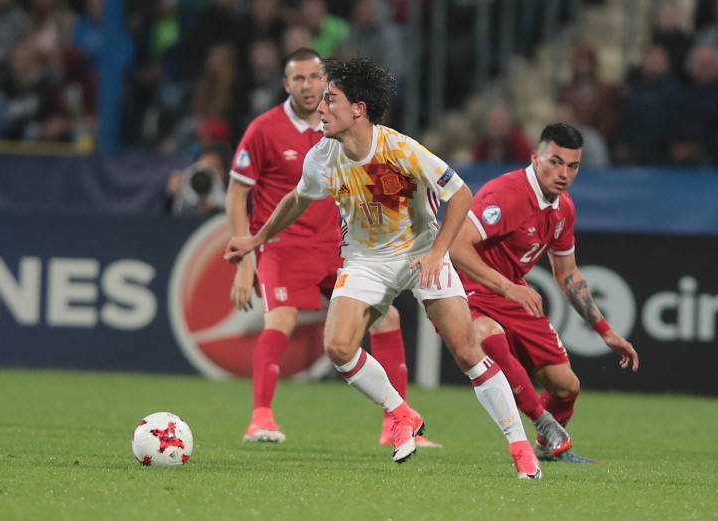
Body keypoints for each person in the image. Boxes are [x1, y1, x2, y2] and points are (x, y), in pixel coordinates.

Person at [226, 55, 542, 479]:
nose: (320, 107)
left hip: (421, 252)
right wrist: (256, 239)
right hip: (366, 260)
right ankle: (401, 413)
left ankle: (521, 448)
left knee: (468, 351)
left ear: (358, 108)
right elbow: (297, 199)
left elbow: (461, 195)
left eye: (330, 100)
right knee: (338, 347)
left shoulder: (400, 149)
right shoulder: (322, 155)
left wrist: (435, 254)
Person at [225, 48, 439, 449]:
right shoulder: (264, 129)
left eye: (315, 78)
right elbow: (239, 193)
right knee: (282, 319)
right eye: (299, 78)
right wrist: (247, 257)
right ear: (286, 84)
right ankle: (260, 418)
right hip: (285, 246)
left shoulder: (341, 128)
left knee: (388, 319)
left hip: (336, 246)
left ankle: (396, 422)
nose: (309, 86)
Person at [448, 123, 639, 463]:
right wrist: (507, 286)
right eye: (555, 161)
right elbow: (457, 247)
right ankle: (543, 422)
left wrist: (605, 332)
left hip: (512, 294)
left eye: (573, 166)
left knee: (567, 387)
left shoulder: (564, 209)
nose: (563, 173)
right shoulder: (505, 194)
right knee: (488, 336)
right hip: (468, 289)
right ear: (535, 157)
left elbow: (567, 275)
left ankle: (546, 448)